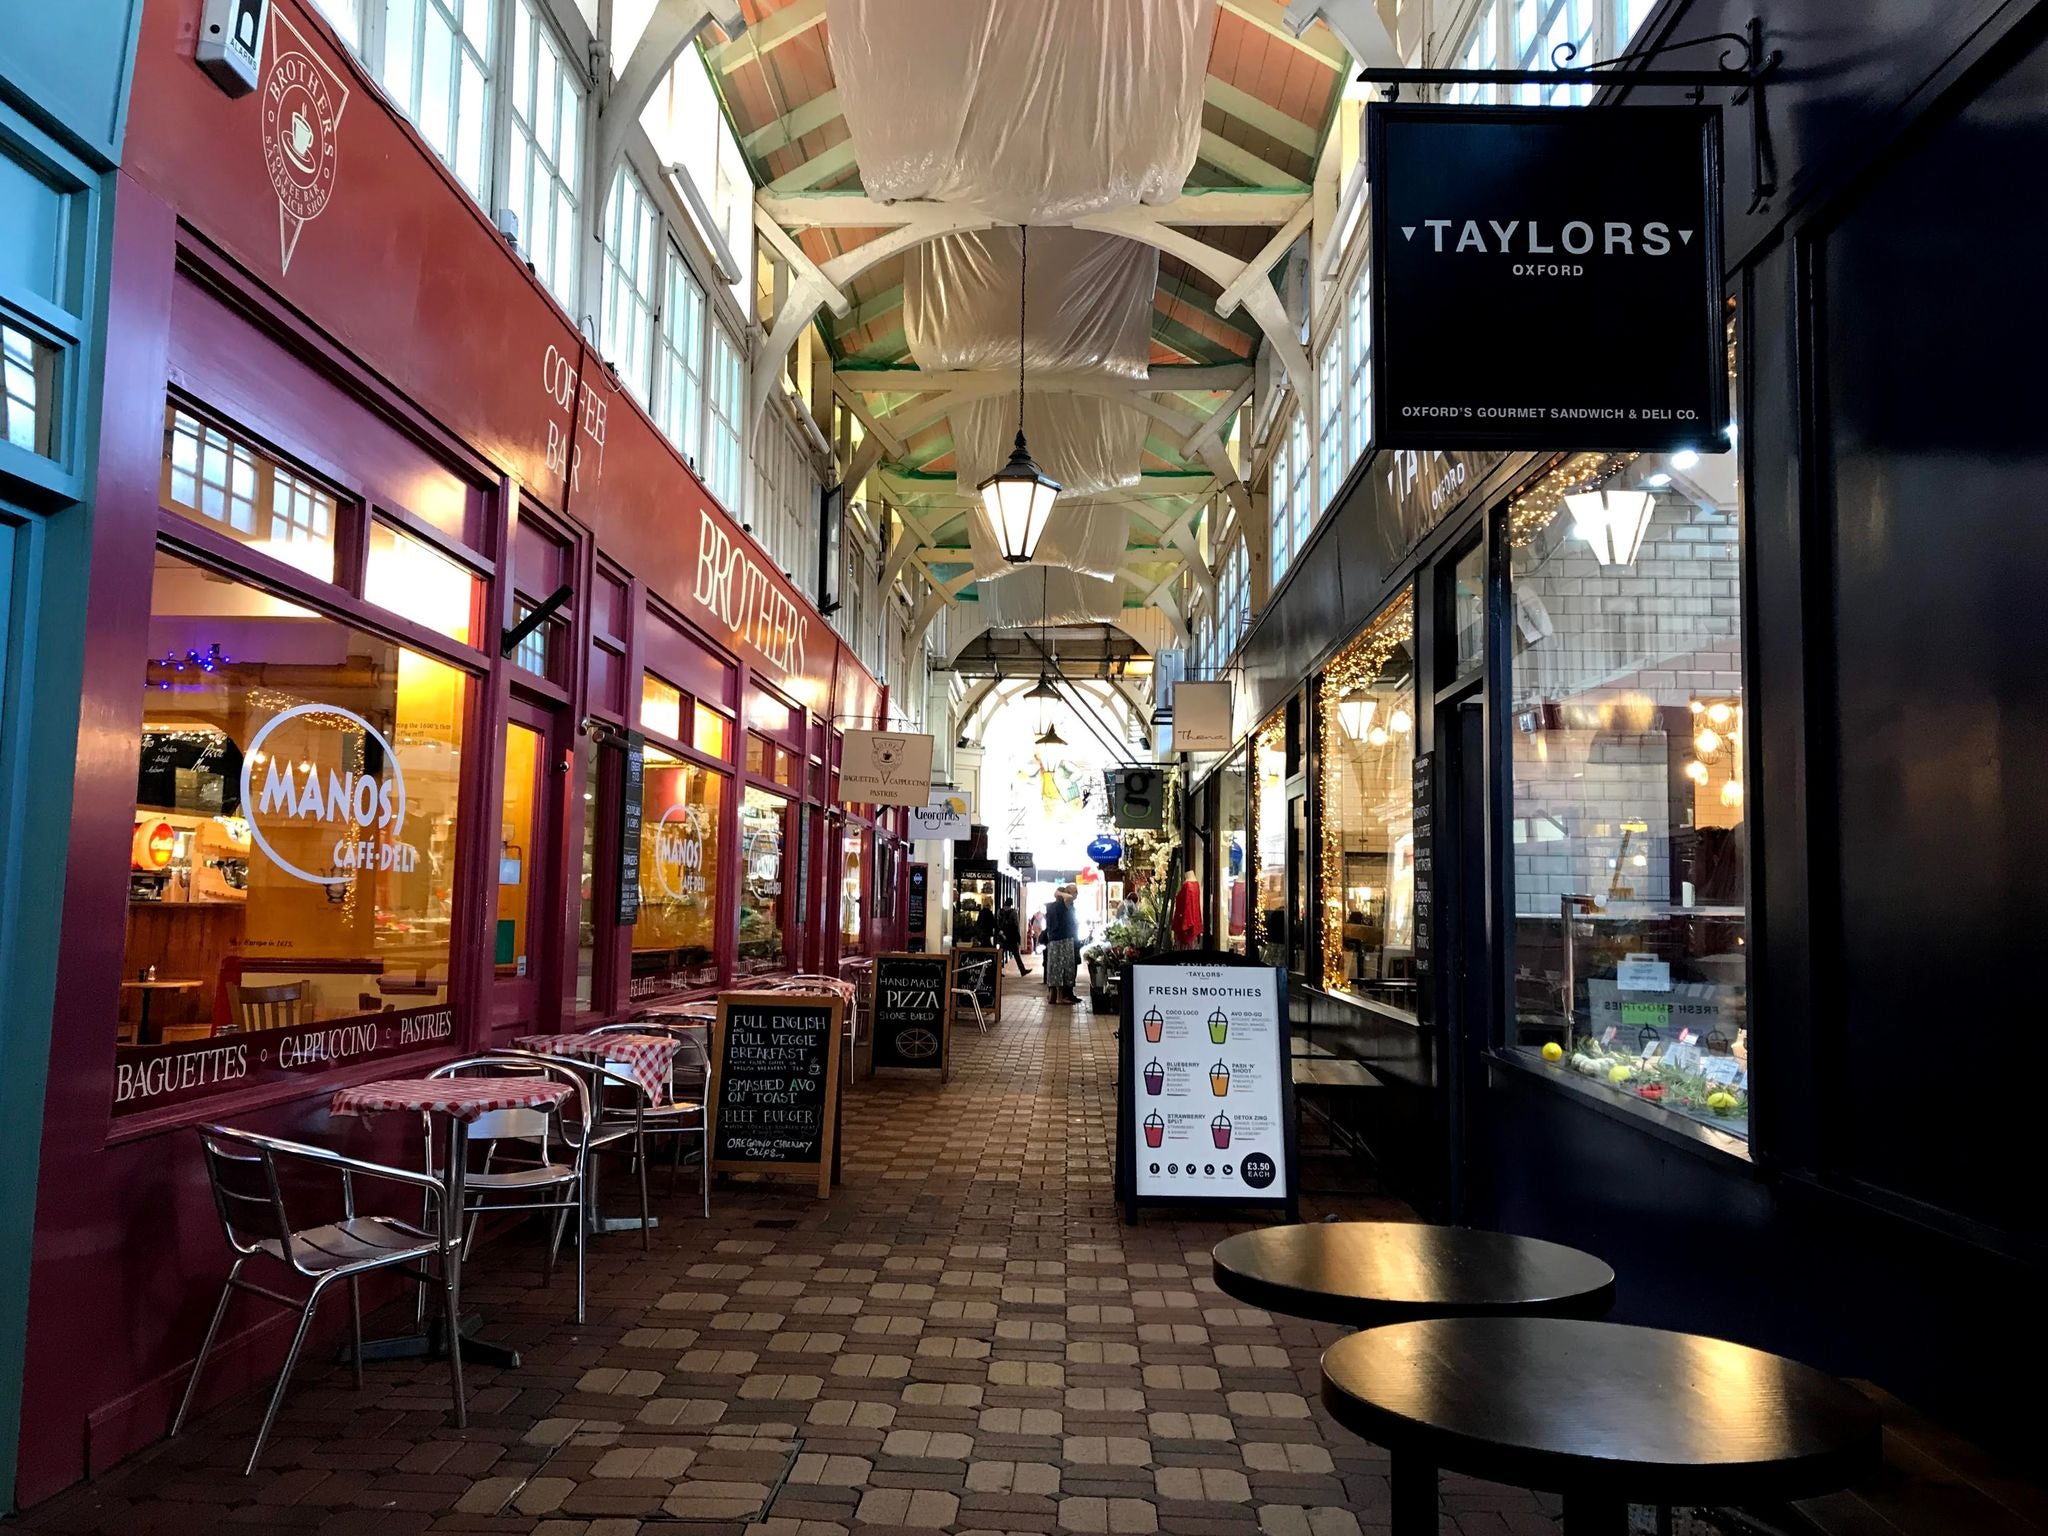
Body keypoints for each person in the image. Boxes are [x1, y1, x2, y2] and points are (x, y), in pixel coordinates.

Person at [1042, 884, 1080, 1005]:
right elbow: (1067, 897)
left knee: (1053, 968)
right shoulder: (1063, 905)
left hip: (1052, 940)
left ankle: (1052, 996)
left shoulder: (1050, 907)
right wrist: (1060, 893)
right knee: (1063, 967)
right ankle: (1060, 997)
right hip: (1064, 939)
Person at [997, 899, 1027, 975]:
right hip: (1011, 937)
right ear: (1011, 904)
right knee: (1016, 954)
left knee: (1000, 954)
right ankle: (1022, 970)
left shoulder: (999, 911)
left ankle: (998, 971)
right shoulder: (1013, 912)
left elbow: (997, 923)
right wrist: (1018, 937)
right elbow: (1016, 925)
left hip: (1002, 936)